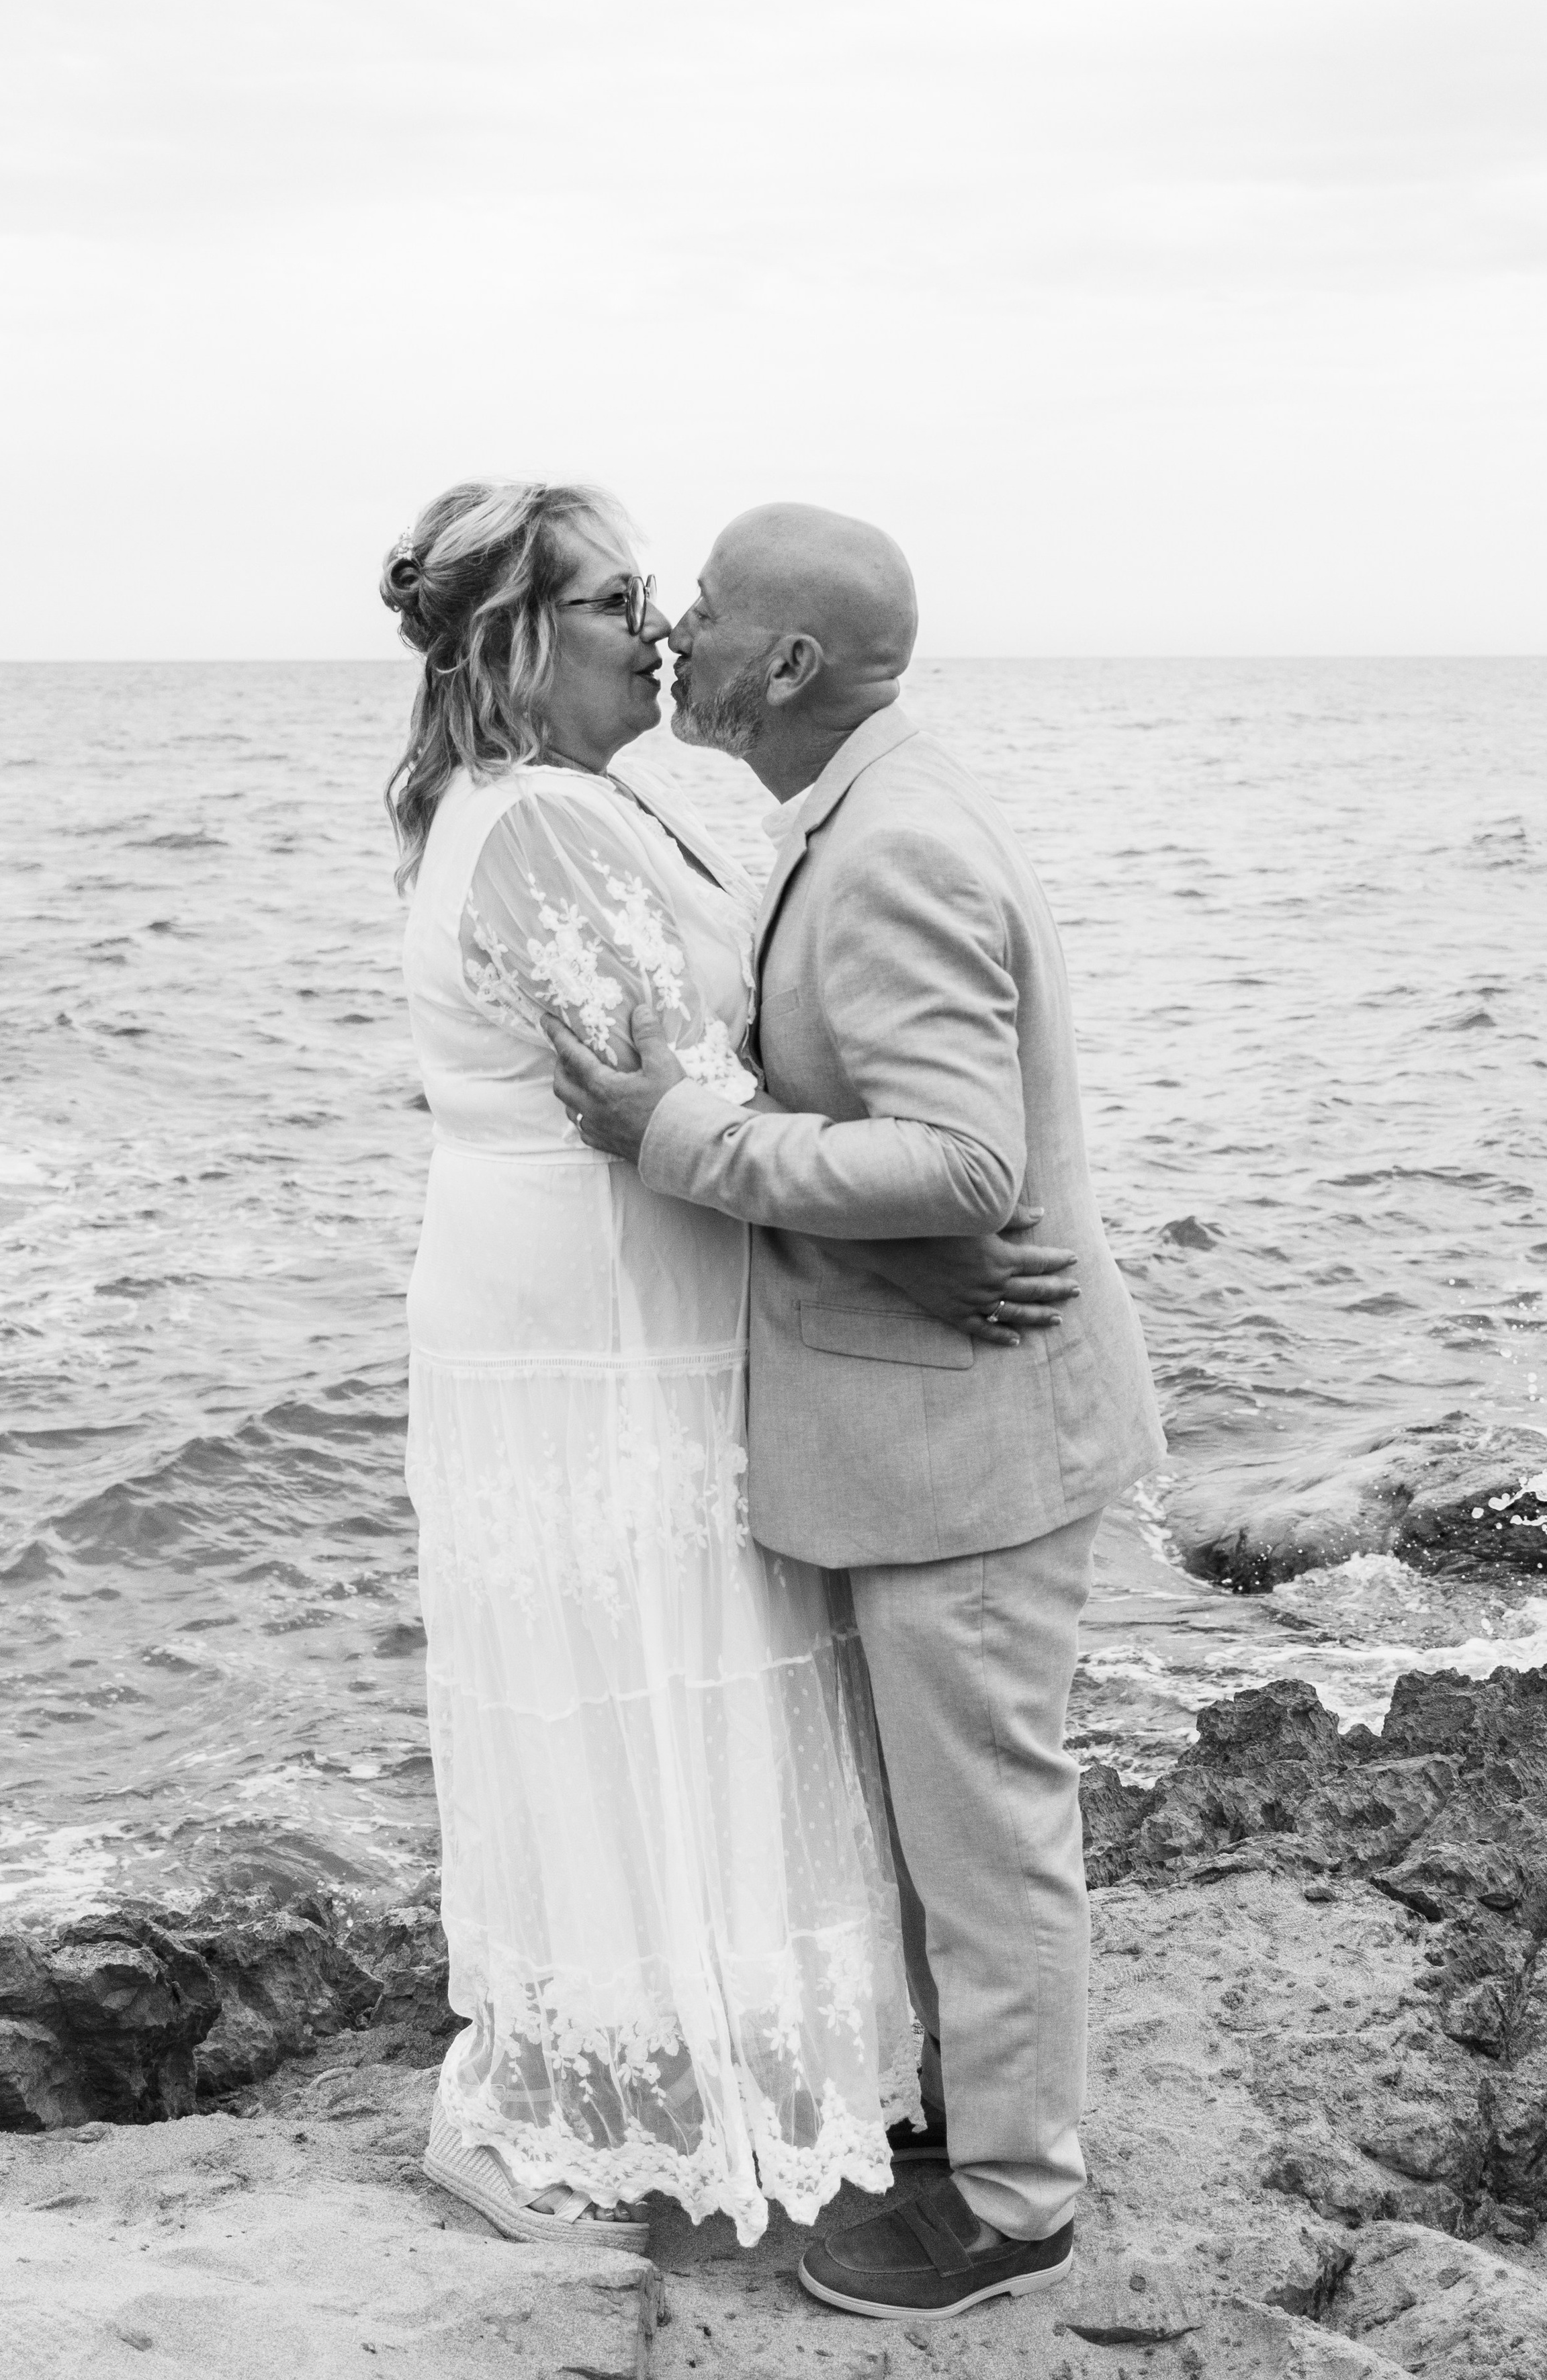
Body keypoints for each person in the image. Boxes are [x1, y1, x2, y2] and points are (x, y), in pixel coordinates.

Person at [381, 480, 1070, 2255]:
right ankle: (537, 2103)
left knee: (674, 1665)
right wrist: (905, 1236)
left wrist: (900, 1220)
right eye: (619, 597)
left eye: (660, 598)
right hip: (589, 1314)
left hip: (639, 1294)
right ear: (519, 642)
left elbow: (703, 1100)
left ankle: (713, 2059)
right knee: (619, 1670)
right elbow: (663, 1103)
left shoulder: (583, 801)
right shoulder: (537, 823)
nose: (656, 628)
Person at [547, 502, 1168, 2320]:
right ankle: (970, 2125)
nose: (675, 629)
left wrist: (672, 1132)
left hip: (968, 1441)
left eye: (713, 611)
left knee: (986, 1830)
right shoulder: (857, 810)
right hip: (939, 1407)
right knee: (946, 1821)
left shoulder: (890, 847)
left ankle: (1016, 2202)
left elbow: (962, 1159)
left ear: (792, 664)